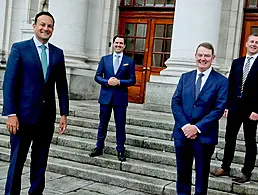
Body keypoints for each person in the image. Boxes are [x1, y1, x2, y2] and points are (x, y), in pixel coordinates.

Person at [2, 11, 69, 195]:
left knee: (40, 161)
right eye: (42, 24)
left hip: (46, 118)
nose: (46, 28)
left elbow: (62, 85)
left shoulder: (57, 54)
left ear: (53, 29)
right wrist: (11, 114)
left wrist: (64, 113)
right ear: (34, 26)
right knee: (17, 161)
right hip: (22, 118)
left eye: (49, 26)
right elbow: (9, 83)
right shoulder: (19, 48)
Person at [172, 42, 228, 195]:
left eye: (207, 56)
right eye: (200, 55)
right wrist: (185, 126)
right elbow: (175, 103)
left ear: (213, 57)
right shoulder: (185, 77)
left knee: (202, 176)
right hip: (182, 134)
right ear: (195, 56)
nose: (203, 59)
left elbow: (218, 109)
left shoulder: (221, 81)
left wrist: (196, 128)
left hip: (204, 136)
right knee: (182, 173)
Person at [214, 33, 258, 183]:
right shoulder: (237, 62)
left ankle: (246, 172)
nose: (254, 44)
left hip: (251, 111)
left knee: (250, 141)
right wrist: (226, 105)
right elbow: (230, 85)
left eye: (257, 43)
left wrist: (257, 110)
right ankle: (225, 167)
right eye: (251, 41)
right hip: (234, 107)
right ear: (246, 44)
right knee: (229, 139)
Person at [89, 35, 136, 162]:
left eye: (121, 43)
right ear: (113, 44)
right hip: (105, 98)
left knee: (120, 125)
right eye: (116, 43)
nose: (118, 45)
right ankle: (99, 147)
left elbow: (133, 80)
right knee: (102, 124)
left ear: (124, 46)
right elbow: (97, 76)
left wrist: (119, 82)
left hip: (120, 99)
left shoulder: (129, 61)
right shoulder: (105, 59)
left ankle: (120, 149)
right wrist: (107, 81)